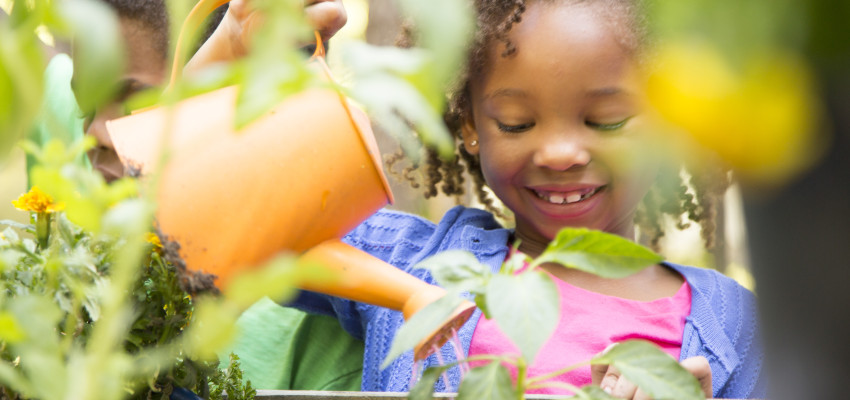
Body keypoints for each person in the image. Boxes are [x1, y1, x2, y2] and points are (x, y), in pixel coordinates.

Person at [288, 0, 766, 399]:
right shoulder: (409, 264)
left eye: (608, 120)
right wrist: (250, 46)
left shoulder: (736, 328)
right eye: (516, 122)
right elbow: (250, 228)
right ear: (470, 126)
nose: (560, 154)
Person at [34, 0, 365, 392]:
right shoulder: (87, 207)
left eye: (137, 100)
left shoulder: (319, 326)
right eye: (84, 106)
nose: (94, 134)